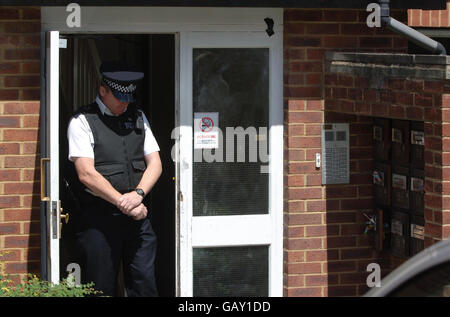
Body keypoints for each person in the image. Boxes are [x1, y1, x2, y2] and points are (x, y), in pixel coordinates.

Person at [66, 61, 162, 296]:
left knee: (144, 284)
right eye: (119, 97)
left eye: (129, 97)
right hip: (99, 220)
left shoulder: (138, 116)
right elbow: (86, 173)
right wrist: (124, 203)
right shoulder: (82, 121)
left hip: (137, 217)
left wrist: (138, 195)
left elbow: (156, 164)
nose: (125, 102)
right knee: (100, 287)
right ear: (103, 91)